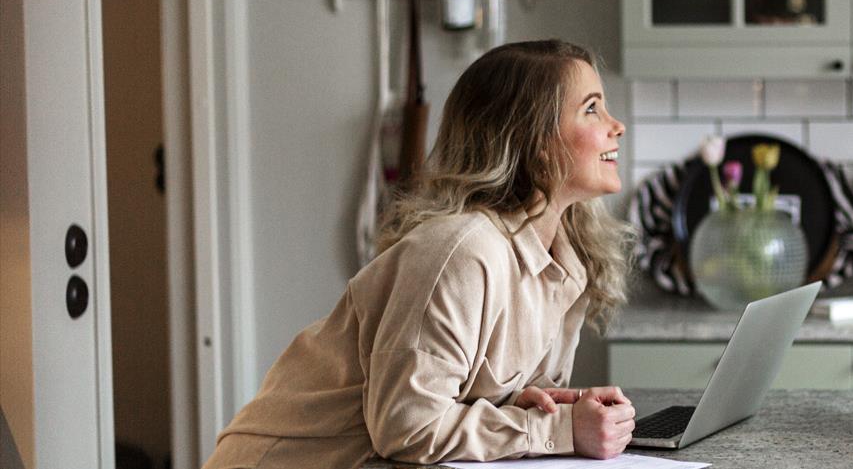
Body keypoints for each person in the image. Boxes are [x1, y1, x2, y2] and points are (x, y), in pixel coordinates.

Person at [202, 39, 636, 468]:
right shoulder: (464, 252)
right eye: (592, 109)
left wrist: (554, 410)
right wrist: (558, 430)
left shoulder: (565, 264)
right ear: (535, 141)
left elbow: (480, 403)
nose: (616, 126)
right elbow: (405, 428)